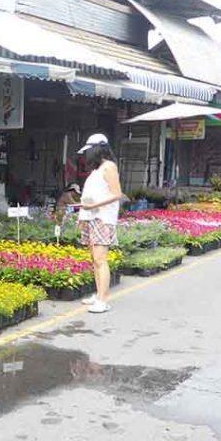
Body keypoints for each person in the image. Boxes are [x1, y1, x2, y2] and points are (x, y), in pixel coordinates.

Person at [76, 134, 124, 314]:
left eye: (89, 151)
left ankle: (103, 300)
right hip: (91, 217)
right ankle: (98, 294)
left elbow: (116, 194)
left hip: (103, 219)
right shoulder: (97, 169)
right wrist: (83, 216)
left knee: (100, 259)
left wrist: (93, 206)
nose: (86, 155)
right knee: (94, 259)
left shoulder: (109, 167)